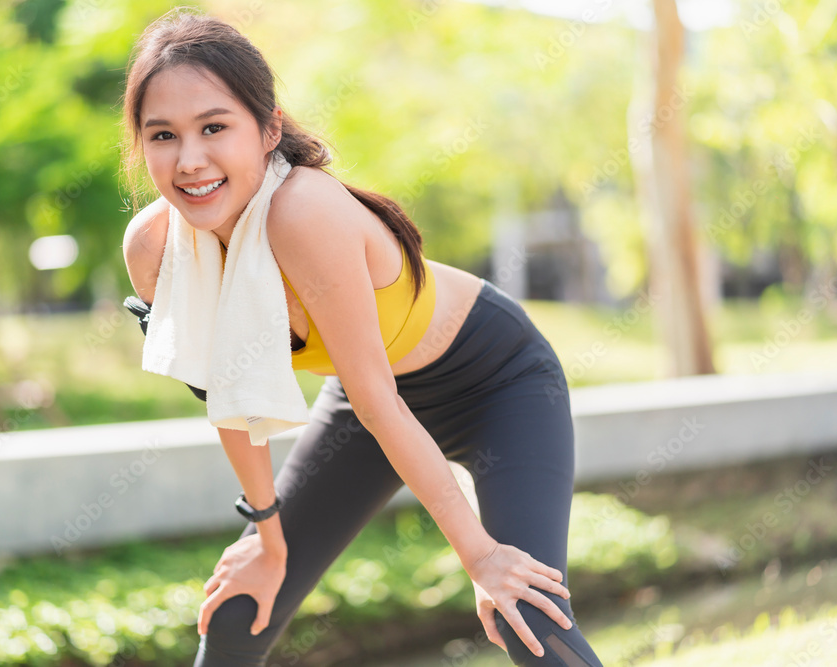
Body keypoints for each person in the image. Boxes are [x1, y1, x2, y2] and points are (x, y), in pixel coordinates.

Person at [120, 8, 604, 667]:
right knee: (238, 613)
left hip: (496, 381)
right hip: (364, 408)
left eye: (214, 127)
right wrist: (267, 537)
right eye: (163, 135)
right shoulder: (155, 247)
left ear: (267, 130)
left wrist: (481, 555)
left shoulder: (303, 212)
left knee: (529, 618)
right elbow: (228, 397)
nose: (190, 159)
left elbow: (381, 399)